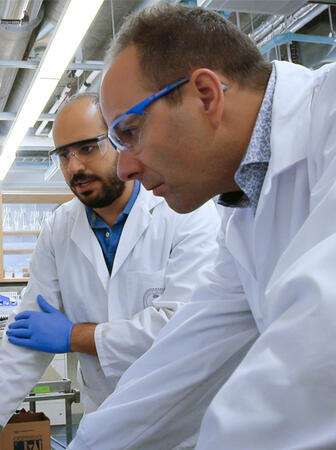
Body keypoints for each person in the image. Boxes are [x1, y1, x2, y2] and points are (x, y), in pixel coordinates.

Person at [67, 4, 336, 449]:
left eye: (130, 132)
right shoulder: (241, 212)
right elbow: (181, 365)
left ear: (206, 95)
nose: (126, 167)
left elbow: (318, 353)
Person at [0, 92, 221, 448]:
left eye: (87, 148)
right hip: (106, 425)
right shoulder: (59, 228)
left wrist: (75, 336)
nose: (73, 167)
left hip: (188, 429)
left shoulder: (184, 212)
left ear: (123, 141)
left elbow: (183, 329)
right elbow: (27, 339)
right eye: (64, 155)